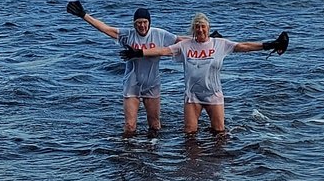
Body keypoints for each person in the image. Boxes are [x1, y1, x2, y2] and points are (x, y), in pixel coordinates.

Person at [121, 12, 289, 134]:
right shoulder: (185, 45)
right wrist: (139, 52)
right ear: (193, 30)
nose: (200, 30)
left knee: (219, 133)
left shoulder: (219, 43)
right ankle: (192, 169)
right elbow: (163, 50)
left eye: (203, 27)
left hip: (213, 95)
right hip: (192, 97)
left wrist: (269, 45)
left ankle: (215, 168)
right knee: (189, 134)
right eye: (197, 27)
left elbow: (243, 46)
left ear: (208, 28)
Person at [66, 0, 181, 136]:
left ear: (149, 22)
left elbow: (180, 41)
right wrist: (84, 15)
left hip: (152, 84)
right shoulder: (128, 35)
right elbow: (106, 29)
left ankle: (152, 147)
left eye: (145, 22)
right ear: (134, 24)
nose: (142, 26)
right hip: (132, 84)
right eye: (138, 23)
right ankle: (128, 148)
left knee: (154, 125)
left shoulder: (159, 34)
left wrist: (203, 39)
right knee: (130, 126)